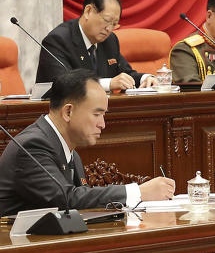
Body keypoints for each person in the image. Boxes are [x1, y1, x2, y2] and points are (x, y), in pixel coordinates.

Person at [0, 69, 175, 216]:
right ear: (68, 112)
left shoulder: (70, 152)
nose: (103, 124)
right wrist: (138, 192)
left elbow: (82, 205)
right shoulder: (32, 146)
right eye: (97, 114)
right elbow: (65, 200)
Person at [36, 0, 158, 90]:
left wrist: (146, 78)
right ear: (88, 11)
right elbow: (62, 85)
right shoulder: (58, 40)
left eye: (114, 24)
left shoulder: (110, 41)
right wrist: (109, 84)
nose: (109, 29)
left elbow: (125, 73)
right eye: (106, 21)